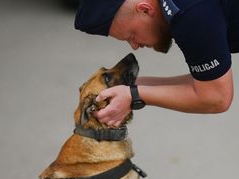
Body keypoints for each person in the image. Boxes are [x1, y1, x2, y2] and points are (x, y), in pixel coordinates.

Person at [74, 0, 238, 128]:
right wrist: (133, 86)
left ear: (145, 9)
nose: (134, 46)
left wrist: (135, 95)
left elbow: (217, 97)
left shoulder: (188, 14)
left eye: (131, 35)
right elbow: (208, 83)